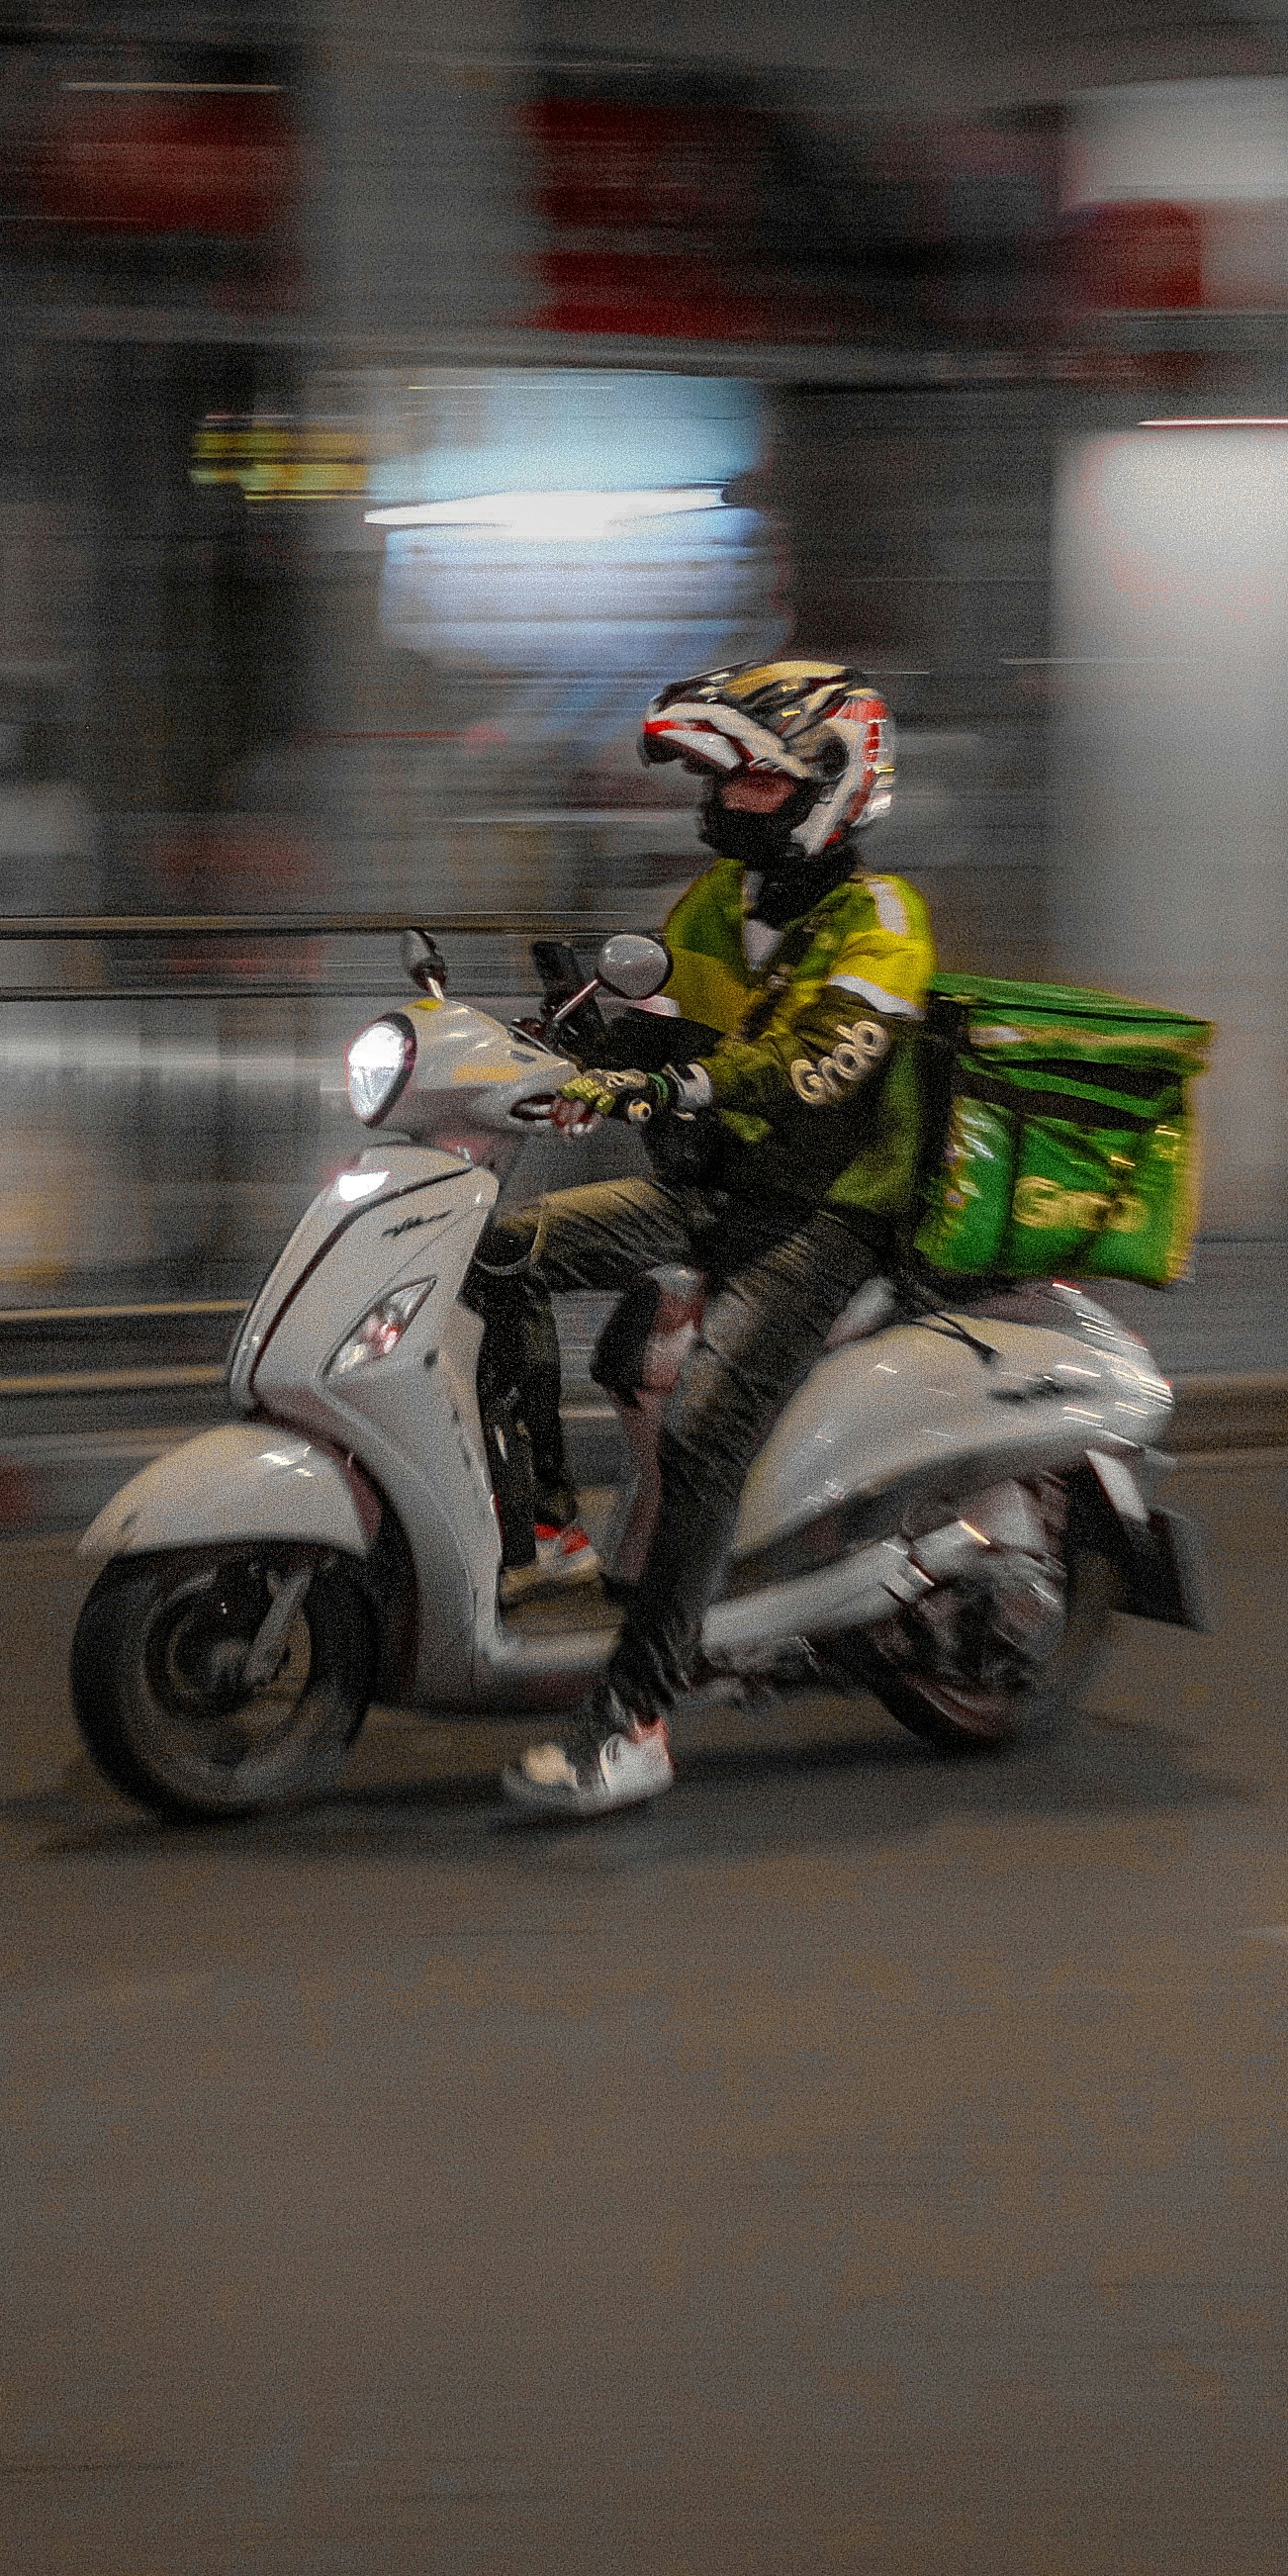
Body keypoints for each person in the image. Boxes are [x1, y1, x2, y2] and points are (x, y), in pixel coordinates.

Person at [469, 657, 935, 1818]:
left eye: (760, 785)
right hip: (718, 1195)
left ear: (835, 786)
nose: (727, 804)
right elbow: (670, 1032)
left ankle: (632, 1724)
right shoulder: (720, 904)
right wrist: (573, 1044)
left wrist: (669, 1091)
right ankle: (550, 1536)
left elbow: (816, 1070)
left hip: (827, 1217)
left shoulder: (881, 921)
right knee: (492, 1255)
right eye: (725, 783)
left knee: (704, 1432)